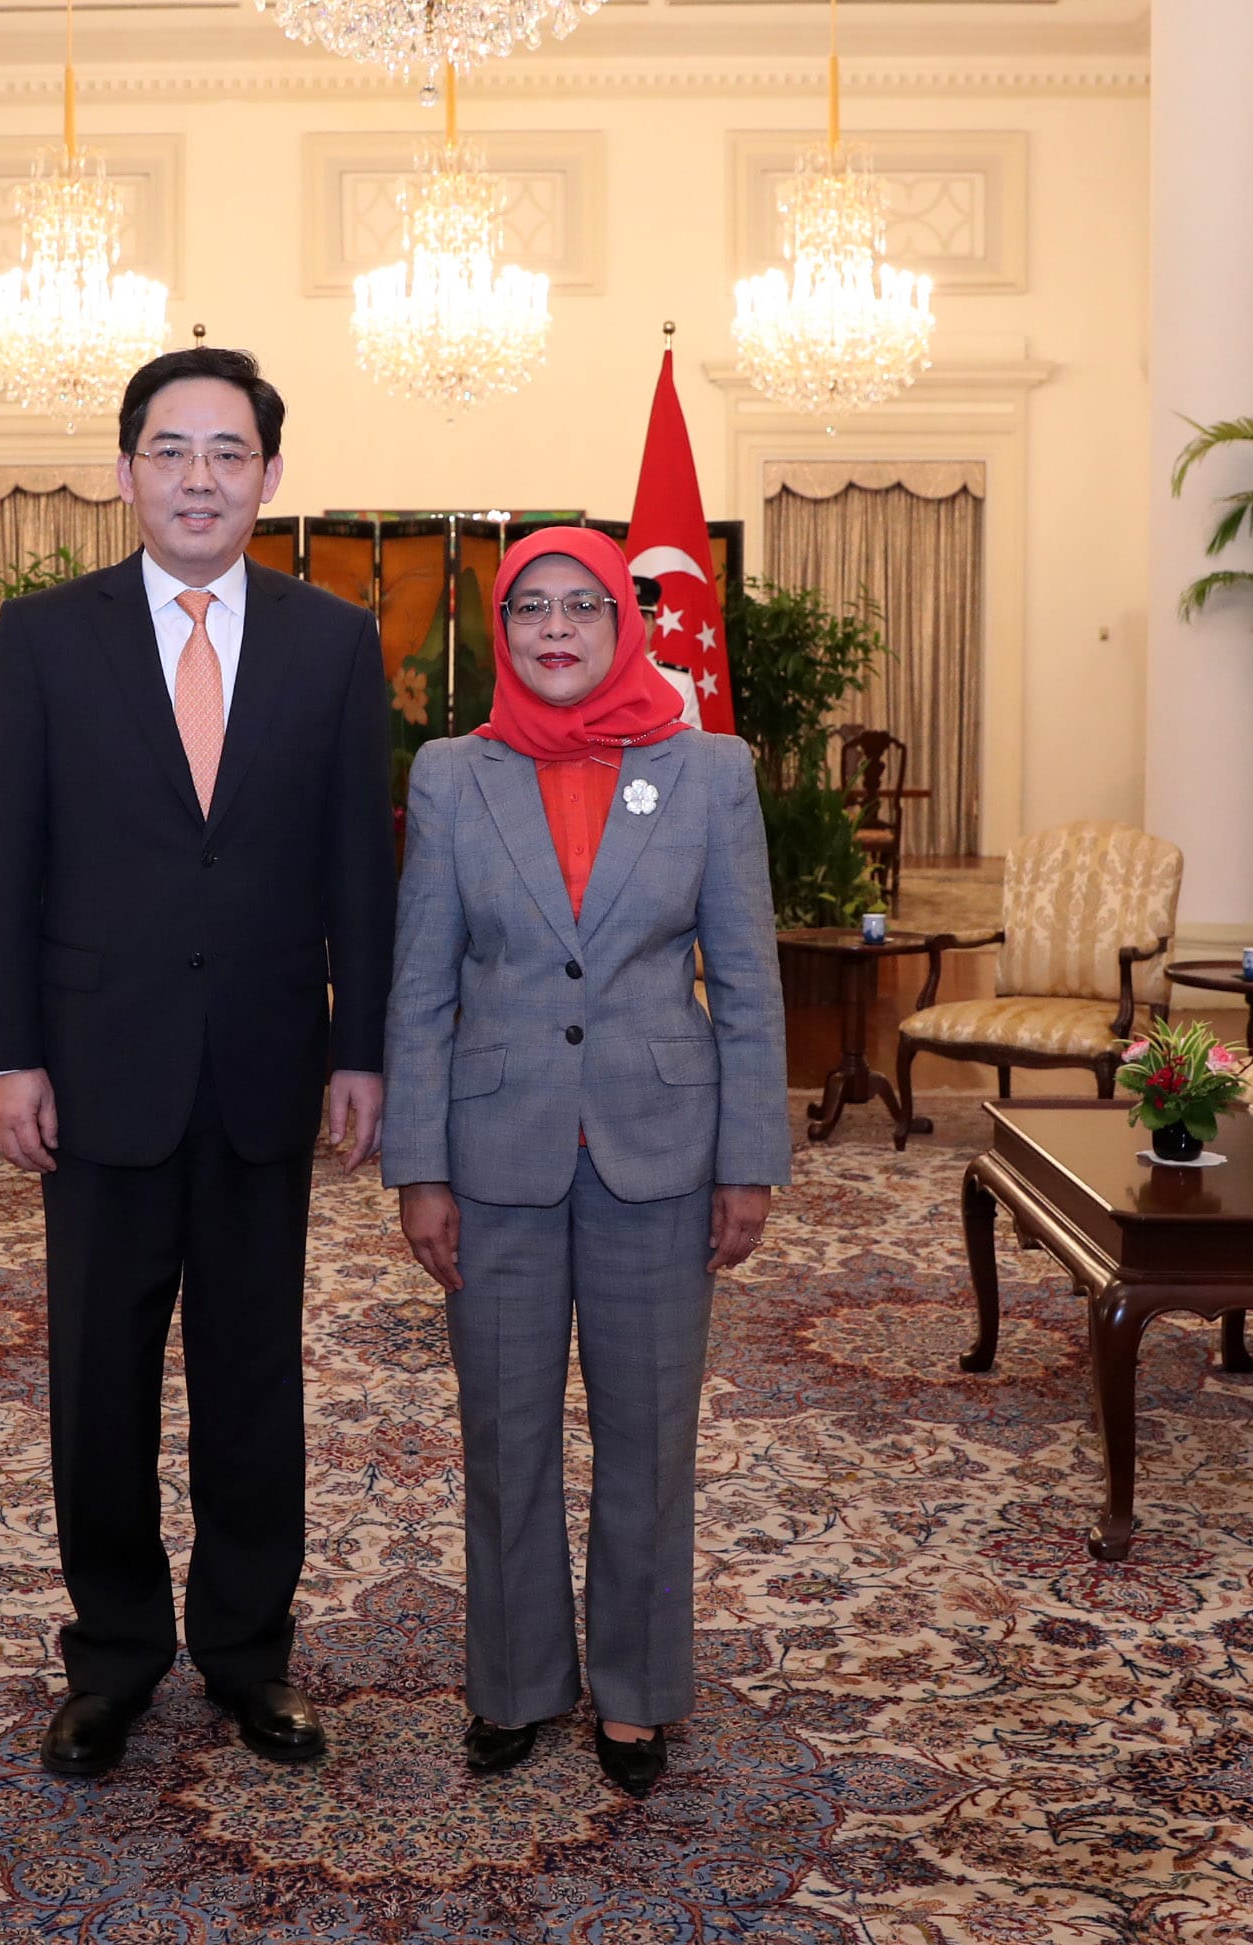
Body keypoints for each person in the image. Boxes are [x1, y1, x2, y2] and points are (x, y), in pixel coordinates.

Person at [0, 346, 395, 1778]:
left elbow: (358, 869)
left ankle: (248, 1653)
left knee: (253, 1375)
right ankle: (114, 1656)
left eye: (228, 451)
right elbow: (6, 863)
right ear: (127, 469)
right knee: (99, 1377)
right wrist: (9, 1053)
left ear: (271, 475)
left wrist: (365, 1049)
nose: (200, 476)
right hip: (95, 1073)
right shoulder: (41, 634)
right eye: (171, 449)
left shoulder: (333, 641)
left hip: (271, 1066)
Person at [382, 526, 790, 1798]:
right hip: (494, 1151)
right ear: (500, 637)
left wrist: (748, 1158)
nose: (554, 630)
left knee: (647, 1437)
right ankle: (510, 1688)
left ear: (624, 626)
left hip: (659, 1152)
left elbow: (749, 982)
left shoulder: (708, 769)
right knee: (504, 1436)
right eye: (528, 611)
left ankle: (634, 1694)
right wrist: (418, 1167)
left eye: (581, 608)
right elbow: (420, 988)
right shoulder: (455, 774)